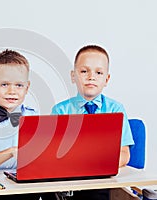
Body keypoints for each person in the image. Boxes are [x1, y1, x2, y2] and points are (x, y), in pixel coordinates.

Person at [51, 44, 135, 200]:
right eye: (84, 71)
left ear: (106, 79)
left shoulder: (116, 109)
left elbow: (125, 153)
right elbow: (55, 155)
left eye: (98, 72)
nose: (91, 77)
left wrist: (98, 166)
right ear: (73, 76)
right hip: (70, 184)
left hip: (104, 183)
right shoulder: (60, 111)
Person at [0, 49, 53, 200]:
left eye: (19, 85)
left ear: (27, 88)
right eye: (4, 84)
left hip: (27, 190)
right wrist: (11, 152)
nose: (11, 91)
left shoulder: (36, 118)